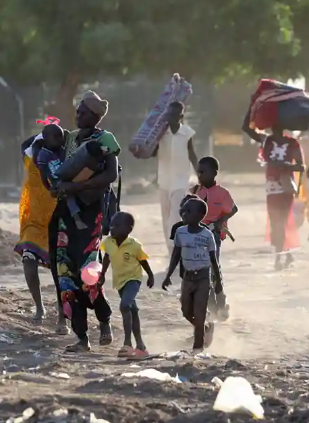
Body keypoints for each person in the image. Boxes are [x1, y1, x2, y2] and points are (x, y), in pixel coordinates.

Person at [49, 90, 119, 350]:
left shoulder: (105, 140)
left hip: (92, 213)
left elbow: (110, 175)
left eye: (83, 112)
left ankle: (104, 320)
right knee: (66, 276)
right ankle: (81, 337)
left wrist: (75, 187)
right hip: (67, 214)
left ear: (95, 116)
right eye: (77, 111)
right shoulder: (69, 140)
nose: (78, 115)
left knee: (88, 275)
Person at [163, 198, 222, 352]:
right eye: (183, 210)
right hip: (187, 278)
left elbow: (213, 260)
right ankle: (205, 327)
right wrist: (168, 275)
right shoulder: (180, 232)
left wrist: (218, 283)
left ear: (200, 215)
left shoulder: (207, 235)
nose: (184, 213)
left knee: (199, 312)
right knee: (186, 310)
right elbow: (176, 255)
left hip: (203, 277)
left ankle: (198, 347)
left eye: (188, 211)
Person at [14, 133, 57, 322]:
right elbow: (25, 143)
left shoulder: (62, 165)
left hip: (58, 222)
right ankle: (40, 308)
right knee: (28, 260)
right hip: (33, 223)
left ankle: (64, 314)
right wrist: (43, 133)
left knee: (60, 271)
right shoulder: (30, 161)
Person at [100, 212, 154, 359]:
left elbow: (143, 261)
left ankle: (127, 343)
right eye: (111, 225)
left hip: (133, 279)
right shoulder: (108, 242)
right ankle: (141, 346)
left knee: (125, 306)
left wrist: (150, 275)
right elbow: (107, 257)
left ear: (128, 229)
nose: (112, 228)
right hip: (119, 282)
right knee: (133, 310)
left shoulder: (135, 245)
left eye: (117, 225)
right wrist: (103, 274)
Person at [193, 156, 237, 320]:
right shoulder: (195, 191)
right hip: (196, 236)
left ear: (214, 173)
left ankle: (221, 301)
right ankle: (211, 305)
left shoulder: (222, 193)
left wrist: (219, 222)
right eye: (198, 172)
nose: (200, 175)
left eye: (203, 172)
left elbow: (233, 209)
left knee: (213, 268)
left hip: (214, 236)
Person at [157, 101, 199, 255]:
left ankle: (175, 246)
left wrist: (199, 174)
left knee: (175, 215)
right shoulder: (161, 133)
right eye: (169, 114)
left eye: (175, 115)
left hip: (181, 181)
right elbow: (151, 151)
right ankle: (170, 249)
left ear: (181, 116)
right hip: (164, 180)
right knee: (166, 215)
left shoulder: (187, 133)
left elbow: (192, 154)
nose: (171, 117)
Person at [262, 124, 306, 270]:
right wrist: (283, 165)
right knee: (275, 222)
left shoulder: (293, 143)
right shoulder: (268, 142)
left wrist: (286, 167)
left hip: (286, 185)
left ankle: (281, 256)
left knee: (283, 221)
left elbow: (301, 166)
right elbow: (268, 159)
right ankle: (282, 255)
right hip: (272, 185)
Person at [36, 123, 87, 230]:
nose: (59, 139)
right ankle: (77, 218)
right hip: (58, 182)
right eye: (56, 136)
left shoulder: (63, 150)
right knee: (69, 195)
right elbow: (43, 175)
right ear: (46, 139)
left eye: (61, 136)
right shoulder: (43, 155)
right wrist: (49, 188)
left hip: (69, 177)